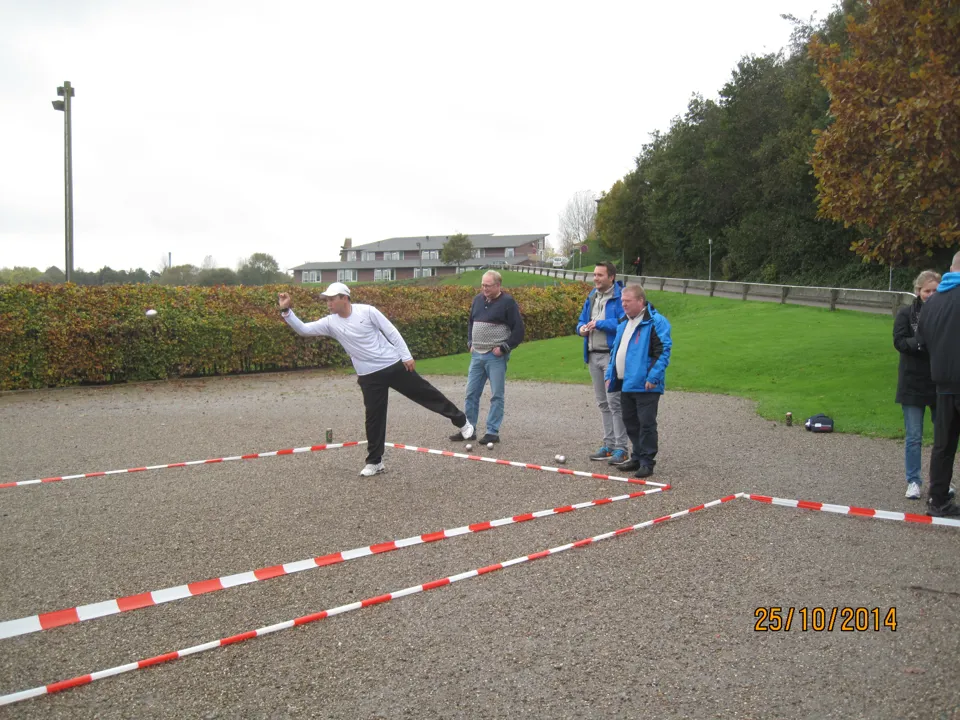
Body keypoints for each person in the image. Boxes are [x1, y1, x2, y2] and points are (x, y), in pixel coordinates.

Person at [278, 283, 473, 477]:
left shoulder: (368, 311)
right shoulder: (330, 322)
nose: (328, 303)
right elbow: (303, 329)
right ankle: (375, 461)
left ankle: (462, 421)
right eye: (326, 300)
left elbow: (391, 332)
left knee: (427, 394)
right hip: (368, 376)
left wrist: (406, 356)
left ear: (344, 298)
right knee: (374, 418)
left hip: (393, 365)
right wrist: (286, 310)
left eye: (331, 299)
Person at [604, 284, 672, 478]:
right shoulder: (623, 323)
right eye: (622, 301)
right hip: (626, 382)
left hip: (646, 384)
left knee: (646, 423)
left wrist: (653, 377)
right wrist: (610, 374)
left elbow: (663, 351)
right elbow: (615, 351)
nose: (623, 305)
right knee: (630, 422)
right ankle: (637, 456)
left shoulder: (656, 322)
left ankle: (647, 462)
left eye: (628, 301)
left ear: (640, 301)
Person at [454, 270, 524, 445]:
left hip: (495, 357)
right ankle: (469, 430)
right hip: (477, 354)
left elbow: (519, 330)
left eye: (488, 285)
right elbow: (471, 322)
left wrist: (504, 347)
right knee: (471, 393)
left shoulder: (508, 302)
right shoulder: (477, 300)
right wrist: (470, 341)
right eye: (482, 285)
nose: (484, 288)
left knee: (496, 395)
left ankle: (492, 431)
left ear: (498, 285)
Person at [917, 251, 960, 517]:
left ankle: (938, 498)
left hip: (943, 382)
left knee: (943, 445)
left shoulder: (933, 303)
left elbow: (923, 340)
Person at [893, 270, 941, 499]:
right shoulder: (905, 314)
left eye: (934, 290)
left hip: (939, 380)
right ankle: (913, 481)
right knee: (914, 436)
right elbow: (899, 341)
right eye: (926, 291)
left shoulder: (946, 312)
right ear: (918, 291)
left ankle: (941, 481)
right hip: (912, 381)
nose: (930, 295)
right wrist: (920, 344)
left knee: (943, 435)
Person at [576, 262, 628, 465]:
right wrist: (582, 329)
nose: (595, 278)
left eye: (600, 275)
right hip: (593, 355)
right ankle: (609, 445)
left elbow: (625, 322)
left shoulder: (621, 296)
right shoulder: (592, 296)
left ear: (611, 277)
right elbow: (580, 321)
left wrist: (600, 324)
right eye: (594, 275)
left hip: (611, 356)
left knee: (615, 402)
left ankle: (621, 448)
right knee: (603, 403)